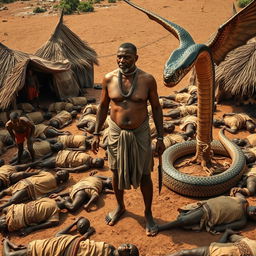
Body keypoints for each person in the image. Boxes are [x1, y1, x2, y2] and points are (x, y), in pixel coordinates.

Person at [92, 42, 165, 236]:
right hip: (116, 132)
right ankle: (120, 206)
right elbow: (102, 107)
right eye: (119, 56)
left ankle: (148, 213)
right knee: (115, 171)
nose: (122, 60)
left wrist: (160, 137)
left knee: (145, 174)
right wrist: (96, 132)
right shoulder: (108, 78)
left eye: (127, 57)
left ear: (136, 58)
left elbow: (156, 108)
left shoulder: (147, 80)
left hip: (140, 132)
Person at [3, 217, 139, 256]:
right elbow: (89, 247)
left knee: (10, 255)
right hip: (72, 243)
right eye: (128, 245)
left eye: (128, 251)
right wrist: (85, 235)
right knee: (55, 237)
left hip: (66, 252)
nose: (125, 247)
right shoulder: (110, 247)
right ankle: (15, 246)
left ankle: (6, 243)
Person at [157, 196, 255, 235]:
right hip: (205, 205)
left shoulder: (242, 221)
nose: (254, 212)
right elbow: (237, 191)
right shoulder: (242, 200)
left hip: (208, 214)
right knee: (183, 219)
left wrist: (213, 226)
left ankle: (159, 228)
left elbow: (223, 227)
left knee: (183, 221)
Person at [0, 170, 69, 211]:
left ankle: (1, 208)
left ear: (62, 180)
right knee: (4, 192)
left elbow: (48, 194)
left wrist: (57, 190)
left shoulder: (54, 186)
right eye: (62, 171)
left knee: (13, 201)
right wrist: (23, 174)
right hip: (23, 182)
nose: (61, 172)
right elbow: (34, 173)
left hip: (28, 188)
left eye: (64, 174)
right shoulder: (47, 173)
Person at [167, 228, 256, 256]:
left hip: (216, 249)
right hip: (216, 250)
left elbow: (233, 236)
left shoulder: (249, 241)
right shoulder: (249, 242)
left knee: (184, 253)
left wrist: (230, 234)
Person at [37, 150, 104, 173]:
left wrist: (61, 169)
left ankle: (32, 166)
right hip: (63, 154)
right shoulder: (88, 156)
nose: (97, 161)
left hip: (61, 161)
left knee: (42, 164)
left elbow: (74, 169)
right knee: (42, 161)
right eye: (98, 160)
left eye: (97, 163)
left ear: (95, 166)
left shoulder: (86, 166)